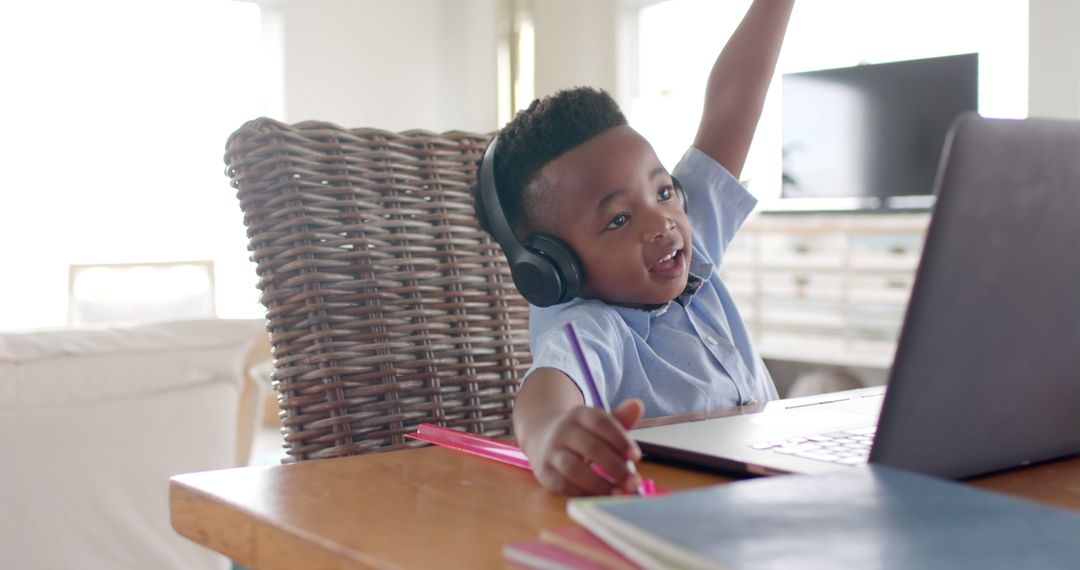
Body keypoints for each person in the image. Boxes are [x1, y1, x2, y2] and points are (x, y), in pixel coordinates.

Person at [472, 0, 794, 496]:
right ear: (555, 267)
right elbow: (546, 390)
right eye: (618, 219)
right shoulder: (592, 325)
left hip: (773, 492)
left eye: (663, 191)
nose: (661, 222)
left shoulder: (690, 243)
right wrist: (547, 435)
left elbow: (733, 103)